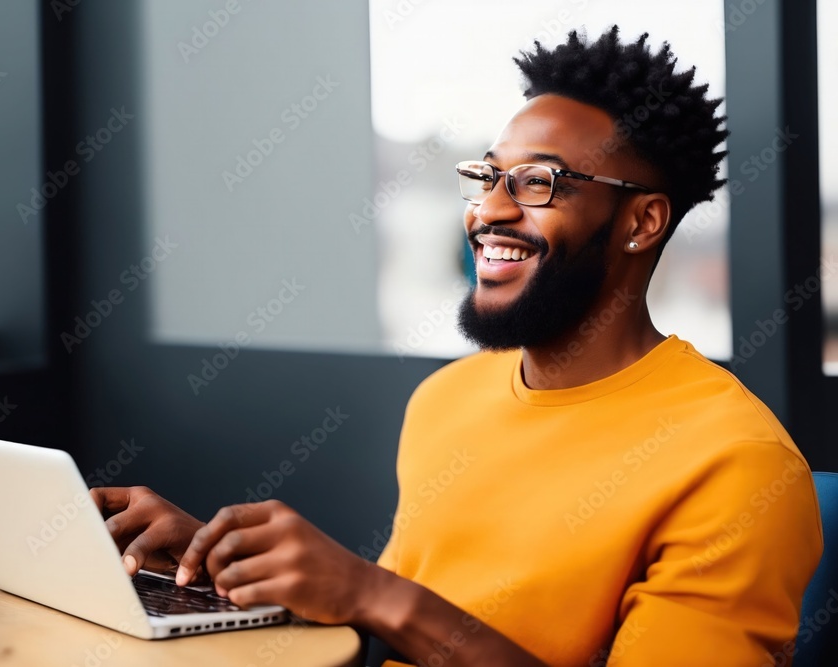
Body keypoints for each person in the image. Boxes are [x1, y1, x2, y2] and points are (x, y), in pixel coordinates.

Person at [91, 27, 822, 666]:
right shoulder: (449, 398)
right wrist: (215, 564)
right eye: (488, 175)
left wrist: (373, 590)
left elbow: (391, 606)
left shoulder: (737, 466)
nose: (490, 210)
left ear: (643, 221)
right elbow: (400, 627)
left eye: (539, 182)